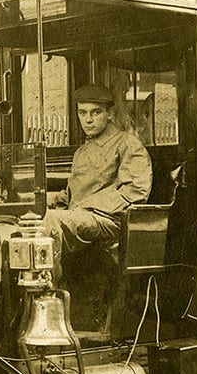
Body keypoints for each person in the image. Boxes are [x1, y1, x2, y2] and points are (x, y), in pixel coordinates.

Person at [44, 84, 152, 281]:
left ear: (109, 113)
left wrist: (85, 207)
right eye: (82, 113)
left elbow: (135, 192)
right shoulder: (82, 152)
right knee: (31, 220)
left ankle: (51, 285)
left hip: (110, 220)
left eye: (96, 112)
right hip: (82, 218)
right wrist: (44, 203)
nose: (88, 119)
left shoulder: (128, 144)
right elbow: (72, 193)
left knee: (50, 221)